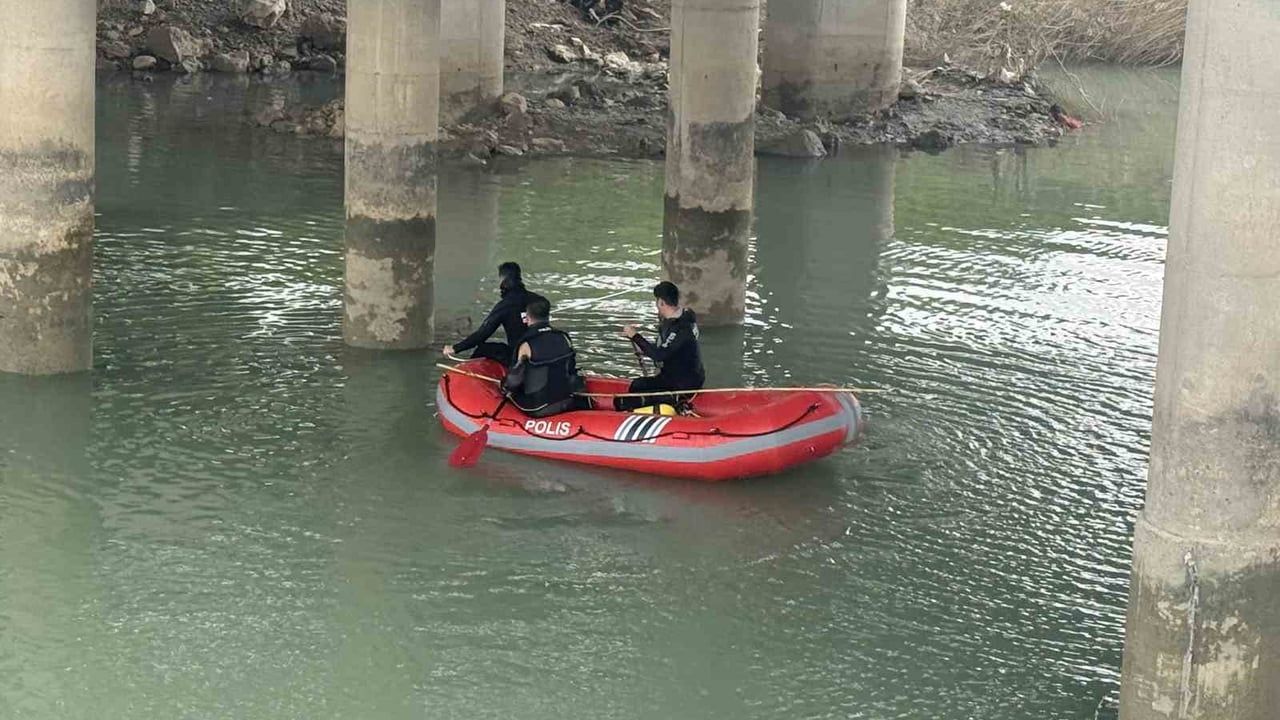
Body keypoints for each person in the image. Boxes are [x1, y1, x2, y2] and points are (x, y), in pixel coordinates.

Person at [616, 281, 706, 412]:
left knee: (623, 402)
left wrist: (635, 336)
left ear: (661, 302)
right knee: (637, 385)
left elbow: (659, 355)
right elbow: (669, 348)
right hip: (679, 375)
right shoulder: (684, 315)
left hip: (682, 384)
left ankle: (675, 404)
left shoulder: (680, 328)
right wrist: (643, 348)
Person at [503, 295, 583, 417]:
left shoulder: (526, 344)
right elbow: (571, 370)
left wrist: (502, 386)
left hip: (538, 406)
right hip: (567, 400)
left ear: (527, 317)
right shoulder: (563, 337)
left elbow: (514, 381)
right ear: (548, 315)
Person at [444, 261, 532, 365]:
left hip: (517, 356)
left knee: (483, 349)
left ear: (503, 280)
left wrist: (455, 348)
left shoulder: (505, 305)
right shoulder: (540, 301)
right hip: (541, 351)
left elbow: (483, 334)